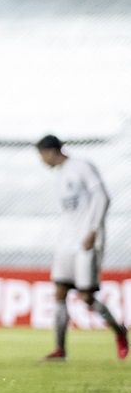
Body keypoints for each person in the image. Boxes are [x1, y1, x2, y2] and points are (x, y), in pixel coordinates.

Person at [35, 134, 127, 361]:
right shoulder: (60, 175)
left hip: (86, 240)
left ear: (50, 151)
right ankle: (60, 350)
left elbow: (103, 196)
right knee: (60, 291)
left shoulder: (81, 167)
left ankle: (120, 331)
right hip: (66, 242)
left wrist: (94, 229)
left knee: (86, 297)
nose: (42, 161)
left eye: (41, 156)